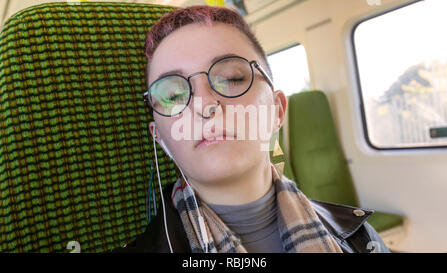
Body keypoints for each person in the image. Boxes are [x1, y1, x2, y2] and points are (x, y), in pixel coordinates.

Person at [113, 5, 389, 253]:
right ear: (159, 138)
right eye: (172, 95)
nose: (205, 104)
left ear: (277, 110)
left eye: (232, 78)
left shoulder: (361, 238)